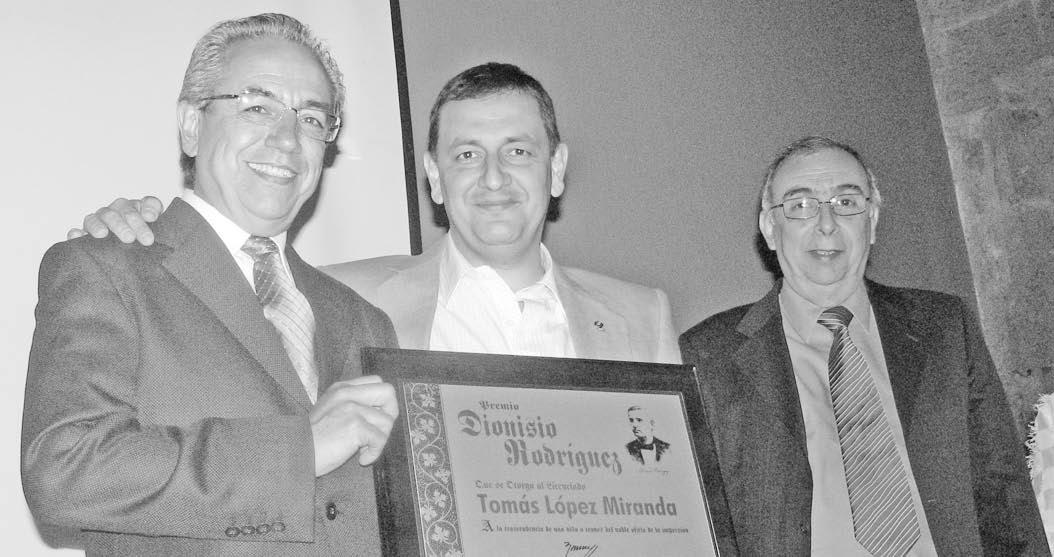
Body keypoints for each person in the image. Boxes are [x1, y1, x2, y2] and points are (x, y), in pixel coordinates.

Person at [22, 14, 399, 556]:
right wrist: (300, 450)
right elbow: (65, 471)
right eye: (257, 107)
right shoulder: (104, 268)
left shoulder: (365, 319)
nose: (287, 139)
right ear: (191, 125)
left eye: (312, 119)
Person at [74, 62, 680, 364]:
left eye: (518, 151)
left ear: (556, 168)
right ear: (435, 177)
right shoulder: (340, 300)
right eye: (467, 155)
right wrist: (143, 235)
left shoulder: (642, 319)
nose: (494, 178)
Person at [679, 136, 1047, 555]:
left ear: (871, 220)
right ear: (769, 229)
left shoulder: (944, 326)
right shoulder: (709, 355)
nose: (826, 223)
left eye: (846, 202)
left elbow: (1005, 498)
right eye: (801, 205)